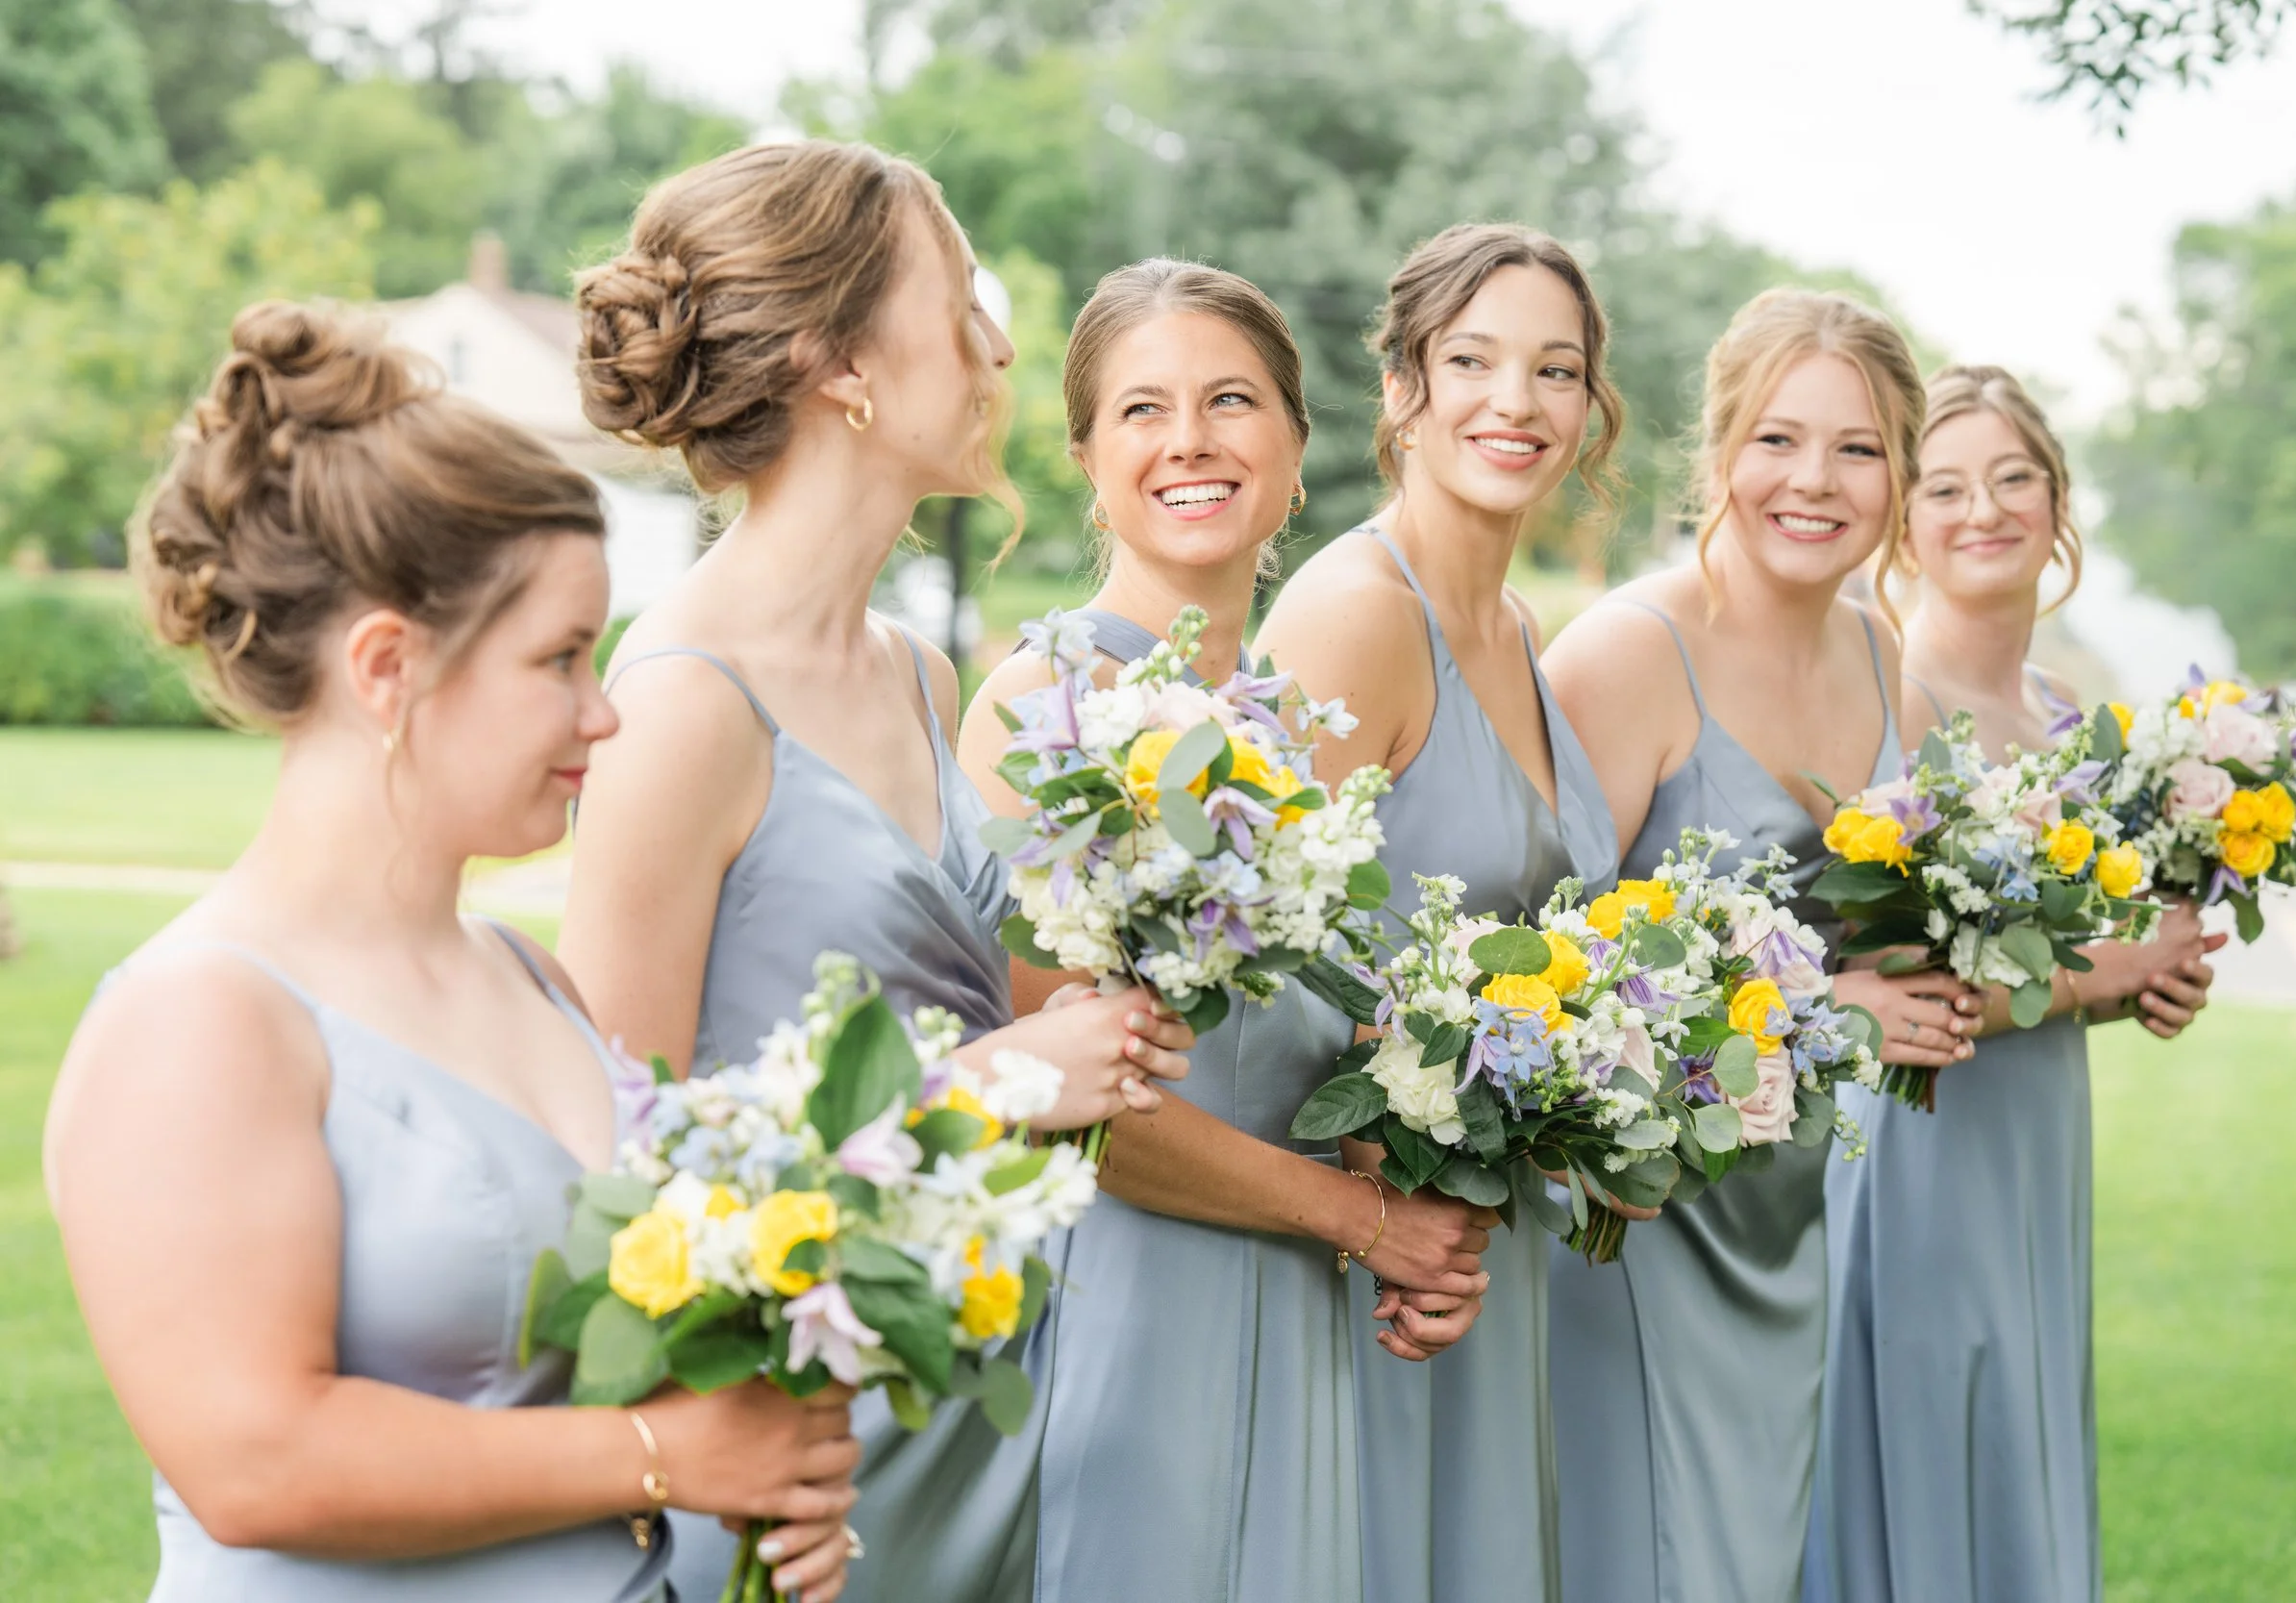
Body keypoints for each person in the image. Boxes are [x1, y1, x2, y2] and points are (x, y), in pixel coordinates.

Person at [44, 301, 861, 1603]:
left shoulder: (530, 977)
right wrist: (667, 1454)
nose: (603, 713)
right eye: (559, 657)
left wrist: (764, 1462)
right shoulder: (202, 1015)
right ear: (386, 666)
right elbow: (253, 1460)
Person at [557, 141, 1192, 1603]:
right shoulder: (681, 703)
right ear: (839, 361)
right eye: (960, 291)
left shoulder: (915, 671)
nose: (1001, 340)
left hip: (970, 1383)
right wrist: (998, 1084)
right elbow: (618, 1166)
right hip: (801, 1447)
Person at [961, 259, 1500, 1603]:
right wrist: (1365, 1218)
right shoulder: (1041, 703)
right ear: (1087, 457)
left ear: (1297, 444)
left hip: (1314, 1321)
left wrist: (1420, 1189)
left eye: (1230, 400)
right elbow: (1064, 1091)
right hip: (1127, 1317)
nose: (1190, 440)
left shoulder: (1298, 721)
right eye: (1142, 411)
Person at [1541, 288, 1975, 1603]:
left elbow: (1884, 951)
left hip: (1781, 1221)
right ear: (1720, 447)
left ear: (1900, 471)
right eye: (1779, 439)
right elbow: (1545, 972)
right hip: (1629, 1231)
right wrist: (1820, 1004)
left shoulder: (1882, 650)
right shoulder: (1629, 653)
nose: (1815, 480)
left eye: (1858, 448)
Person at [1252, 223, 1626, 1603]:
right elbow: (1264, 967)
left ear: (1590, 408)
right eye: (1472, 360)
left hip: (1483, 1237)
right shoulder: (1351, 614)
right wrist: (1387, 1221)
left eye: (1555, 369)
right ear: (1403, 385)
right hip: (1373, 1259)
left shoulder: (1521, 631)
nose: (1513, 403)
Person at [1808, 363, 2222, 1603]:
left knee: (2024, 1409)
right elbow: (1885, 988)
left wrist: (2156, 983)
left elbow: (2087, 952)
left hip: (2038, 1134)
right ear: (1904, 519)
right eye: (1943, 485)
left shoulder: (2060, 715)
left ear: (2057, 500)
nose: (1982, 509)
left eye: (2012, 478)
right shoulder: (1886, 702)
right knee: (1940, 1417)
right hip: (1923, 1138)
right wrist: (2111, 974)